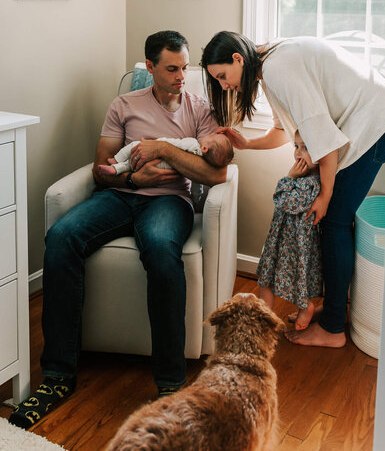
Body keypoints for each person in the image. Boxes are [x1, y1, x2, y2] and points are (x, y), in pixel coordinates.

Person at [9, 30, 227, 430]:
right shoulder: (124, 105)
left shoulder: (199, 109)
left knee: (162, 251)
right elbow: (100, 169)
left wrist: (164, 152)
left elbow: (217, 172)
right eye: (172, 68)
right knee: (60, 237)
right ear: (150, 67)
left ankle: (170, 382)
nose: (182, 76)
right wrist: (132, 181)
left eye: (185, 67)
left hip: (169, 202)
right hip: (121, 195)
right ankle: (58, 376)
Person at [201, 32, 385, 349]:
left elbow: (322, 138)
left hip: (375, 121)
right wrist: (247, 143)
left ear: (237, 59)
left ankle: (333, 329)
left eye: (222, 76)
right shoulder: (268, 67)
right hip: (366, 120)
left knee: (333, 222)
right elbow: (282, 132)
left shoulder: (279, 68)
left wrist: (325, 195)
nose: (224, 86)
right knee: (330, 222)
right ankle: (333, 308)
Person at [257, 130, 323, 331]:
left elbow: (285, 201)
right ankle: (263, 318)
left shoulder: (311, 183)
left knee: (297, 281)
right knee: (265, 279)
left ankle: (306, 307)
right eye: (296, 146)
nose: (298, 153)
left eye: (306, 148)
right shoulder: (302, 178)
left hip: (293, 245)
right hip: (278, 239)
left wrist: (288, 177)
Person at [98, 133, 233, 176]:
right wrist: (197, 197)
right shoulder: (198, 164)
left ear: (204, 148)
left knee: (135, 147)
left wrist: (157, 144)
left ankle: (116, 161)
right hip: (167, 168)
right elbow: (198, 185)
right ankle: (115, 170)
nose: (209, 133)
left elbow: (172, 145)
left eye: (211, 136)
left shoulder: (192, 143)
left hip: (158, 155)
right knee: (131, 165)